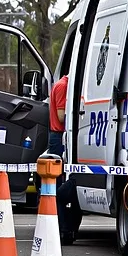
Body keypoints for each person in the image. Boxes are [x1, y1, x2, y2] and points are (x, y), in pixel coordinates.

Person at [49, 73, 80, 244]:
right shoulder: (63, 86)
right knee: (60, 187)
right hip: (59, 136)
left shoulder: (63, 84)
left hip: (60, 136)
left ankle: (67, 228)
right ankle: (63, 228)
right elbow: (62, 117)